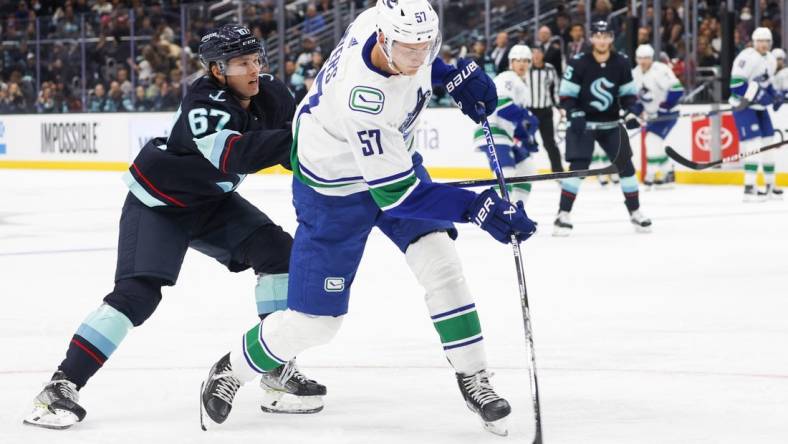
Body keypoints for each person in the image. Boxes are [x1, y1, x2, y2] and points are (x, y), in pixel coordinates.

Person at [199, 0, 536, 436]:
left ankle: (474, 375)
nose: (420, 57)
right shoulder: (365, 102)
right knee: (315, 324)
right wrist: (477, 207)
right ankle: (231, 369)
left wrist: (449, 73)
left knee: (442, 265)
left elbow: (420, 63)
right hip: (334, 190)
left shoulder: (385, 23)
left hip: (393, 164)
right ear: (382, 38)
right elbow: (400, 196)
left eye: (426, 46)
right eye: (410, 49)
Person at [22, 24, 322, 430]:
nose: (253, 70)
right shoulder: (204, 100)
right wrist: (304, 137)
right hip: (159, 204)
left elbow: (295, 153)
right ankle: (60, 386)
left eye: (255, 60)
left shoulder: (271, 92)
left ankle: (273, 368)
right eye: (240, 63)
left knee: (280, 255)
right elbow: (234, 155)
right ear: (217, 69)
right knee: (136, 295)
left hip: (211, 203)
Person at [554, 20, 651, 236]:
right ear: (591, 38)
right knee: (578, 169)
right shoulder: (579, 62)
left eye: (605, 35)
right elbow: (566, 96)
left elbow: (628, 96)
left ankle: (636, 212)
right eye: (597, 35)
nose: (601, 39)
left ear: (611, 38)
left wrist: (632, 111)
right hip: (583, 125)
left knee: (626, 166)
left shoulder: (621, 62)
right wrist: (575, 112)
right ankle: (563, 215)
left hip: (610, 125)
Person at [473, 44, 540, 205]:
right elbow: (502, 106)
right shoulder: (507, 77)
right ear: (511, 62)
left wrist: (525, 137)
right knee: (506, 173)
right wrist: (528, 116)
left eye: (526, 61)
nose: (522, 64)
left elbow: (514, 121)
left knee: (527, 169)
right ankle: (506, 215)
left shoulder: (521, 84)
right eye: (518, 60)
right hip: (492, 131)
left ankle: (518, 210)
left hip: (504, 135)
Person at [730, 27, 783, 201]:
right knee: (753, 144)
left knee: (769, 143)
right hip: (743, 106)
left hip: (759, 108)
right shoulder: (746, 57)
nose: (763, 44)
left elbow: (766, 83)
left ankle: (770, 185)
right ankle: (749, 187)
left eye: (767, 41)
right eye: (760, 41)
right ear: (754, 41)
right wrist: (760, 96)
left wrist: (775, 96)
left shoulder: (771, 59)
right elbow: (736, 86)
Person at [632, 44, 684, 188]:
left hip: (668, 113)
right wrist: (633, 112)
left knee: (652, 140)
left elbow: (678, 90)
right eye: (640, 58)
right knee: (654, 143)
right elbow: (637, 98)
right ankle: (668, 174)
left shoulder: (661, 70)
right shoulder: (635, 73)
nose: (643, 61)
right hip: (652, 115)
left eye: (646, 58)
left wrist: (664, 106)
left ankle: (650, 176)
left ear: (651, 58)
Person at [526, 45, 564, 172]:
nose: (536, 55)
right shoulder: (526, 68)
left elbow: (557, 88)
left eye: (538, 52)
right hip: (528, 112)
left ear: (543, 54)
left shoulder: (550, 68)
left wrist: (559, 106)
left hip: (545, 111)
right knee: (524, 141)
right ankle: (522, 170)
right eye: (533, 53)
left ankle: (558, 171)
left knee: (549, 143)